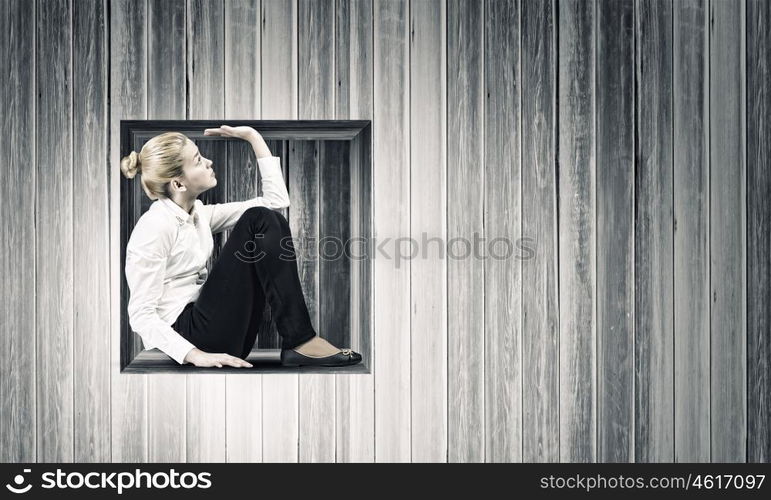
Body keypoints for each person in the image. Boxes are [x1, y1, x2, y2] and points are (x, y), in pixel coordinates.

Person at [120, 125, 362, 368]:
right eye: (198, 161)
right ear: (179, 184)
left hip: (223, 333)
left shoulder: (199, 214)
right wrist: (193, 354)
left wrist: (252, 137)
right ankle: (300, 341)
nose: (208, 161)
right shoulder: (154, 227)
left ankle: (299, 342)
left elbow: (275, 203)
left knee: (265, 217)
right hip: (189, 337)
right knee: (257, 218)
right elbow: (141, 315)